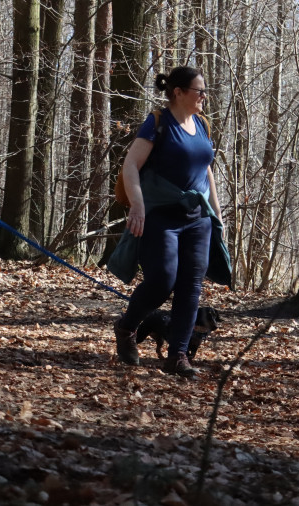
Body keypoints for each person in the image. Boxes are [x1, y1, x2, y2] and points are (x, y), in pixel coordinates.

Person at [108, 67, 230, 378]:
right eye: (198, 90)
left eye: (204, 91)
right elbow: (131, 165)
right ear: (178, 92)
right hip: (162, 214)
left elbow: (207, 171)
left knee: (191, 285)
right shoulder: (158, 122)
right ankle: (126, 326)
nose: (204, 96)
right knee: (162, 279)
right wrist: (137, 206)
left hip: (197, 218)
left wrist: (217, 215)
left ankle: (177, 355)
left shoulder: (202, 124)